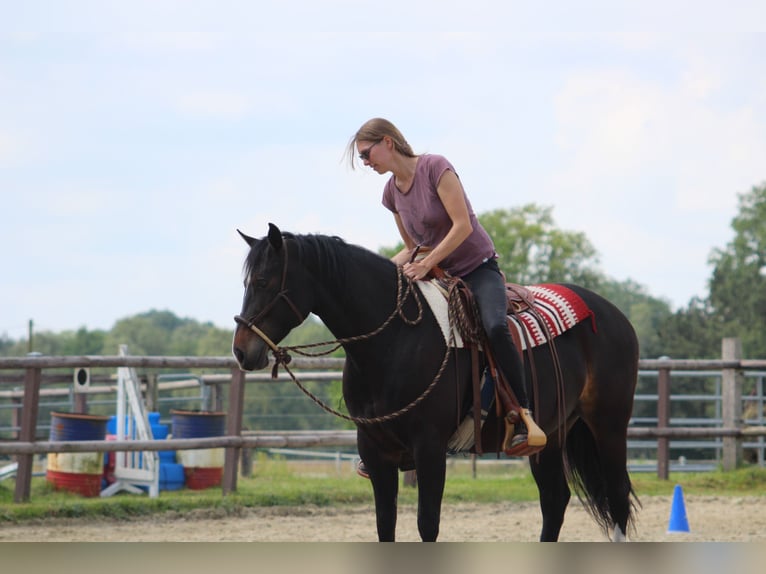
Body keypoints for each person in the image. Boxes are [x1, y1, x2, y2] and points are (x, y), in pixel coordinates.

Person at [348, 118, 545, 479]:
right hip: (437, 274)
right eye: (361, 157)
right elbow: (412, 249)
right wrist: (375, 274)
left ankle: (524, 414)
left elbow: (463, 226)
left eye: (366, 154)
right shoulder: (390, 193)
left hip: (476, 269)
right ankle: (389, 437)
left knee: (495, 326)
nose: (365, 162)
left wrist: (426, 264)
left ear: (387, 143)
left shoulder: (436, 167)